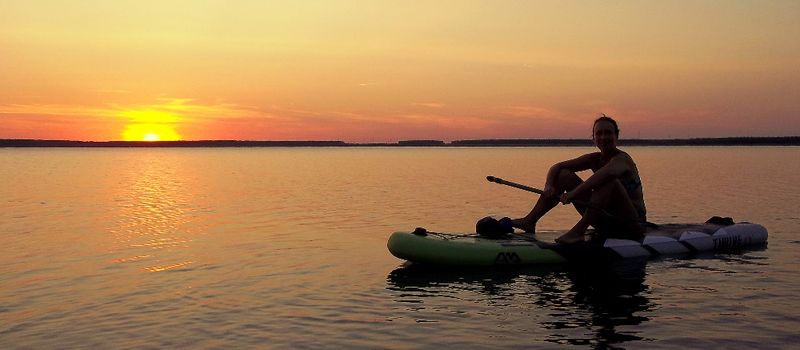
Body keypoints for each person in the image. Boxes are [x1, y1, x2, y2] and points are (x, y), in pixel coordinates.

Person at [511, 114, 647, 244]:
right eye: (599, 133)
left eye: (608, 133)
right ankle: (530, 221)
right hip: (606, 220)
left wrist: (573, 193)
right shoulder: (594, 159)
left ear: (616, 136)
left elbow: (607, 174)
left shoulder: (622, 159)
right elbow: (557, 166)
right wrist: (549, 185)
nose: (603, 137)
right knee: (564, 175)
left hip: (632, 224)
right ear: (593, 138)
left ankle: (578, 232)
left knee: (609, 181)